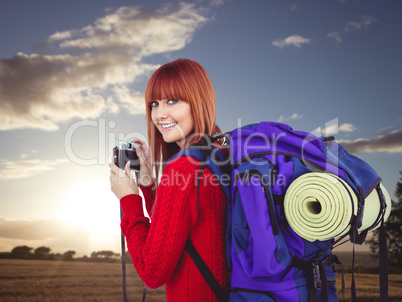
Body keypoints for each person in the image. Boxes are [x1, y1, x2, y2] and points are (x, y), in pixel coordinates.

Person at [109, 58, 229, 301]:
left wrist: (129, 199)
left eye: (172, 101)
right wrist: (148, 183)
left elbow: (152, 273)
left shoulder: (184, 168)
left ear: (198, 101)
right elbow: (176, 229)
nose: (159, 114)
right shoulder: (222, 153)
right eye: (154, 103)